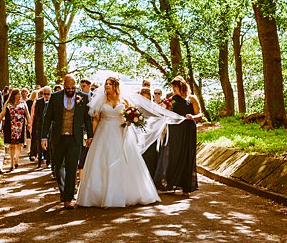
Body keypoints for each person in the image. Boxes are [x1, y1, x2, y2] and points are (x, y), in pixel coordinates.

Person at [76, 77, 166, 208]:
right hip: (104, 132)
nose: (107, 86)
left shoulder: (124, 101)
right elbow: (95, 120)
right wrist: (92, 136)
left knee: (124, 160)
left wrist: (130, 121)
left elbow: (127, 116)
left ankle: (127, 193)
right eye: (106, 84)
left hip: (120, 133)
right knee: (102, 161)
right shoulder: (101, 101)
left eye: (110, 84)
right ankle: (100, 195)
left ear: (115, 86)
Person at [40, 75, 94, 210]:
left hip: (75, 138)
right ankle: (63, 191)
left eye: (73, 88)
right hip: (58, 138)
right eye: (68, 88)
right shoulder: (55, 97)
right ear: (64, 86)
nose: (70, 90)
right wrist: (43, 137)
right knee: (58, 167)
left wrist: (90, 136)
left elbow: (87, 119)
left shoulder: (84, 97)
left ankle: (68, 198)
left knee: (71, 168)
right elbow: (47, 118)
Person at [158, 76, 201, 195]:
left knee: (187, 156)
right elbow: (166, 114)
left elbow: (200, 115)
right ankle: (170, 183)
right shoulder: (172, 99)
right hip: (175, 129)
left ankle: (186, 187)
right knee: (174, 154)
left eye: (175, 87)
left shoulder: (192, 99)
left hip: (188, 130)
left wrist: (193, 117)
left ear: (181, 86)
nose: (173, 89)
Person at [0, 89, 29, 172]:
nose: (19, 96)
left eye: (20, 94)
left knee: (19, 145)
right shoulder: (7, 104)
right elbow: (2, 113)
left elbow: (27, 114)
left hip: (20, 127)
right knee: (11, 145)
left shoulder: (23, 103)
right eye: (18, 94)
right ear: (14, 95)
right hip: (10, 126)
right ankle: (11, 163)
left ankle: (16, 159)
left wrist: (29, 123)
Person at [31, 86, 51, 168]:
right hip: (40, 125)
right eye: (44, 94)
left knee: (49, 144)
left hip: (49, 127)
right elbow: (36, 114)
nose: (46, 95)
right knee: (39, 144)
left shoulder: (52, 101)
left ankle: (48, 161)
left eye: (48, 94)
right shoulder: (38, 101)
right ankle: (39, 160)